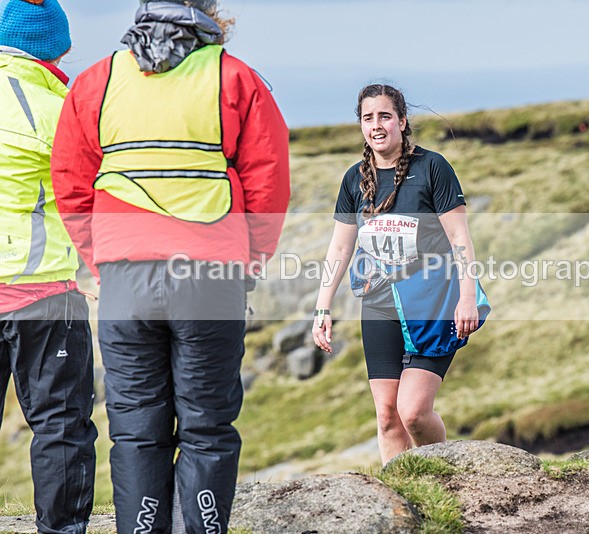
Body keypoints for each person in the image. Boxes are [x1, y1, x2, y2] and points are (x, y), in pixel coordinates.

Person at [50, 1, 290, 531]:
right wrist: (248, 263)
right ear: (209, 12)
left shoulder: (96, 82)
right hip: (211, 275)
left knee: (136, 430)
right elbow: (268, 180)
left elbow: (69, 181)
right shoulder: (236, 77)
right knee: (207, 426)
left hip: (124, 275)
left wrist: (101, 258)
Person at [312, 84, 487, 464]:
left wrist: (467, 297)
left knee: (414, 413)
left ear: (402, 121)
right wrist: (322, 308)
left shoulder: (433, 168)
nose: (376, 125)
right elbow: (340, 248)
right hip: (379, 304)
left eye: (385, 116)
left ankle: (445, 473)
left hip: (434, 303)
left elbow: (460, 238)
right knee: (388, 418)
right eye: (368, 118)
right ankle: (404, 490)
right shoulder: (354, 179)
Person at [0, 1, 98, 532]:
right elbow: (94, 194)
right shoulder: (59, 108)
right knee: (61, 427)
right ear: (58, 47)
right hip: (42, 293)